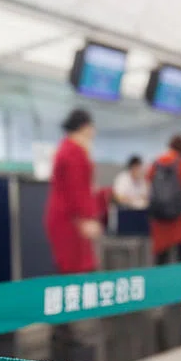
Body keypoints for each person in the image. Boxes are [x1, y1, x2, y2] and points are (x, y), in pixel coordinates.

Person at [45, 108, 102, 275]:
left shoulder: (68, 148)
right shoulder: (73, 152)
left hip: (68, 217)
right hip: (71, 219)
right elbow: (76, 188)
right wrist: (85, 218)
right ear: (84, 127)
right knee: (76, 270)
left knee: (75, 268)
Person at [148, 134, 181, 265]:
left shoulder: (156, 163)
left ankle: (160, 279)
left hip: (160, 218)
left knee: (161, 259)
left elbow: (149, 187)